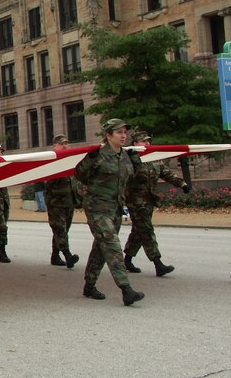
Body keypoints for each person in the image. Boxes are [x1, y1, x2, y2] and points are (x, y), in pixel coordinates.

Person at [74, 118, 145, 306]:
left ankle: (89, 285)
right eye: (119, 132)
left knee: (101, 247)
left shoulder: (125, 155)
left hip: (115, 208)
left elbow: (134, 177)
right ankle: (126, 289)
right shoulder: (97, 155)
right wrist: (89, 159)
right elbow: (79, 175)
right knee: (112, 245)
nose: (123, 136)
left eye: (124, 132)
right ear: (108, 135)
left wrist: (137, 163)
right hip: (97, 207)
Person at [123, 129, 190, 276]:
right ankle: (158, 263)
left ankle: (127, 260)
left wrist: (182, 184)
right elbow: (126, 176)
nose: (148, 143)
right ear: (135, 143)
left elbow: (166, 173)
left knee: (138, 231)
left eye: (148, 141)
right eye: (144, 141)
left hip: (148, 200)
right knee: (146, 230)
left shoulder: (153, 158)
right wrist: (134, 159)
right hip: (135, 201)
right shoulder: (128, 158)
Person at [46, 134, 81, 268]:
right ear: (55, 146)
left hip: (68, 202)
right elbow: (48, 183)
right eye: (61, 144)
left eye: (66, 143)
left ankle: (55, 256)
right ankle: (68, 256)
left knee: (63, 230)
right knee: (60, 229)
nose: (65, 145)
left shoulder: (69, 161)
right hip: (55, 203)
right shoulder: (50, 161)